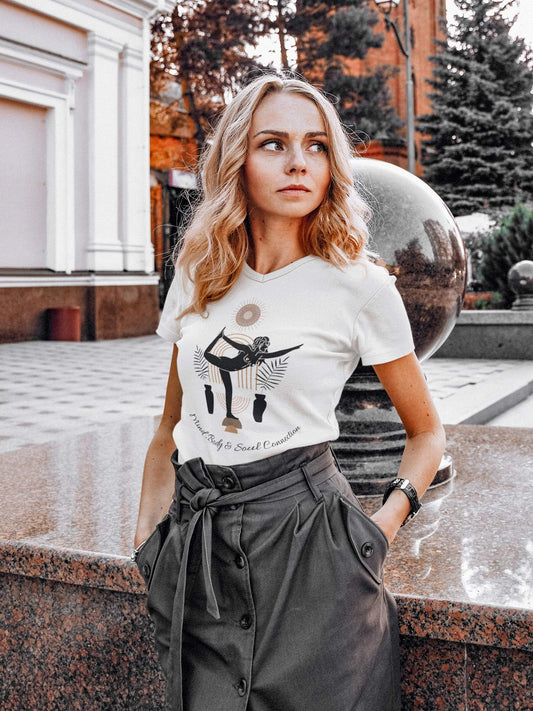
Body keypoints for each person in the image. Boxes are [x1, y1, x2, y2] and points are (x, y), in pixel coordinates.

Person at [133, 73, 445, 711]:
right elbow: (171, 425)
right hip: (199, 550)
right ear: (238, 162)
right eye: (273, 143)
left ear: (333, 165)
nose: (299, 162)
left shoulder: (360, 287)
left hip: (312, 550)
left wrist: (380, 530)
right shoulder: (197, 273)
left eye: (317, 146)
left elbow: (426, 433)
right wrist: (148, 541)